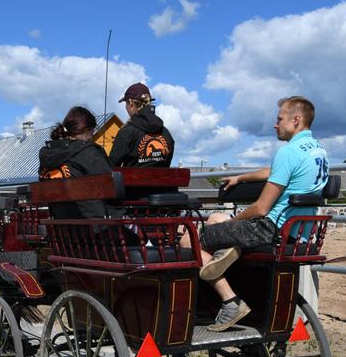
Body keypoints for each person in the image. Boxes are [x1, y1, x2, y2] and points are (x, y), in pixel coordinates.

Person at [182, 95, 329, 331]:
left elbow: (260, 209)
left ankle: (230, 301)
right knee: (217, 218)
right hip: (298, 232)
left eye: (280, 118)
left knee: (189, 238)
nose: (275, 124)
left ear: (296, 120)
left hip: (270, 230)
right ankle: (227, 251)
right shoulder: (317, 151)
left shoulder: (288, 152)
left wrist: (232, 225)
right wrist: (241, 177)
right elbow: (275, 171)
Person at [38, 106, 113, 219]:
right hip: (93, 229)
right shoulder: (88, 152)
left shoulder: (48, 154)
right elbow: (111, 186)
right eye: (93, 132)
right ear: (87, 130)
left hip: (61, 229)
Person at [109, 83, 174, 168]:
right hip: (162, 181)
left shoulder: (126, 133)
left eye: (126, 104)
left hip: (131, 181)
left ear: (131, 103)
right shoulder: (166, 133)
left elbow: (111, 167)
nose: (126, 107)